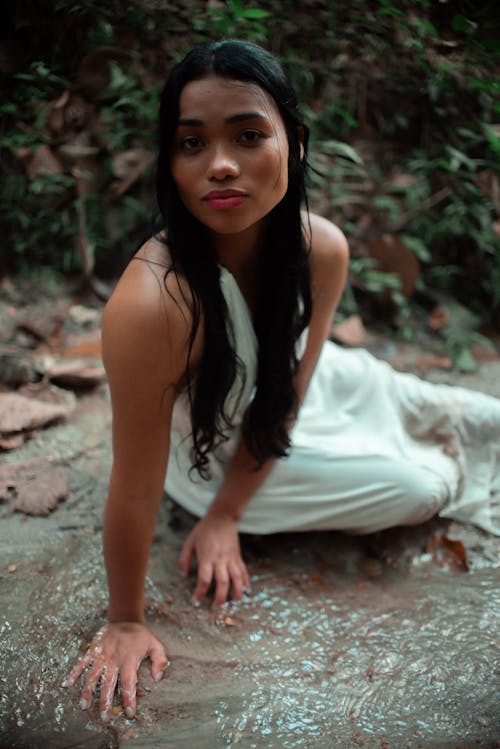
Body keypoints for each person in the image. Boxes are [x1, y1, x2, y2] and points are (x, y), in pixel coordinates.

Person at [63, 39, 500, 721]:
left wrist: (232, 516)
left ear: (293, 142)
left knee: (479, 415)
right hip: (207, 455)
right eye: (191, 143)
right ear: (170, 162)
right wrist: (131, 612)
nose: (221, 165)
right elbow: (135, 478)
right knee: (425, 486)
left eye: (247, 134)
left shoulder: (321, 246)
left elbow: (294, 383)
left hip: (302, 399)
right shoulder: (155, 302)